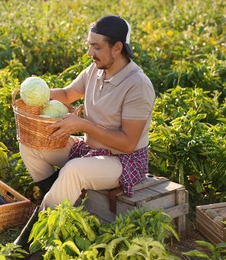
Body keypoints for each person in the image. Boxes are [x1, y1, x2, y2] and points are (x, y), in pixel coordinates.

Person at [14, 15, 155, 246]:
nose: (91, 53)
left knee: (74, 170)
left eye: (96, 47)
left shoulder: (137, 85)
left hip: (123, 160)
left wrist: (83, 125)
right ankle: (66, 208)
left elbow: (128, 143)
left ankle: (32, 241)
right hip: (90, 149)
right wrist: (33, 94)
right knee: (30, 145)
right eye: (90, 45)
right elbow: (69, 94)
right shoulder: (95, 70)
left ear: (117, 47)